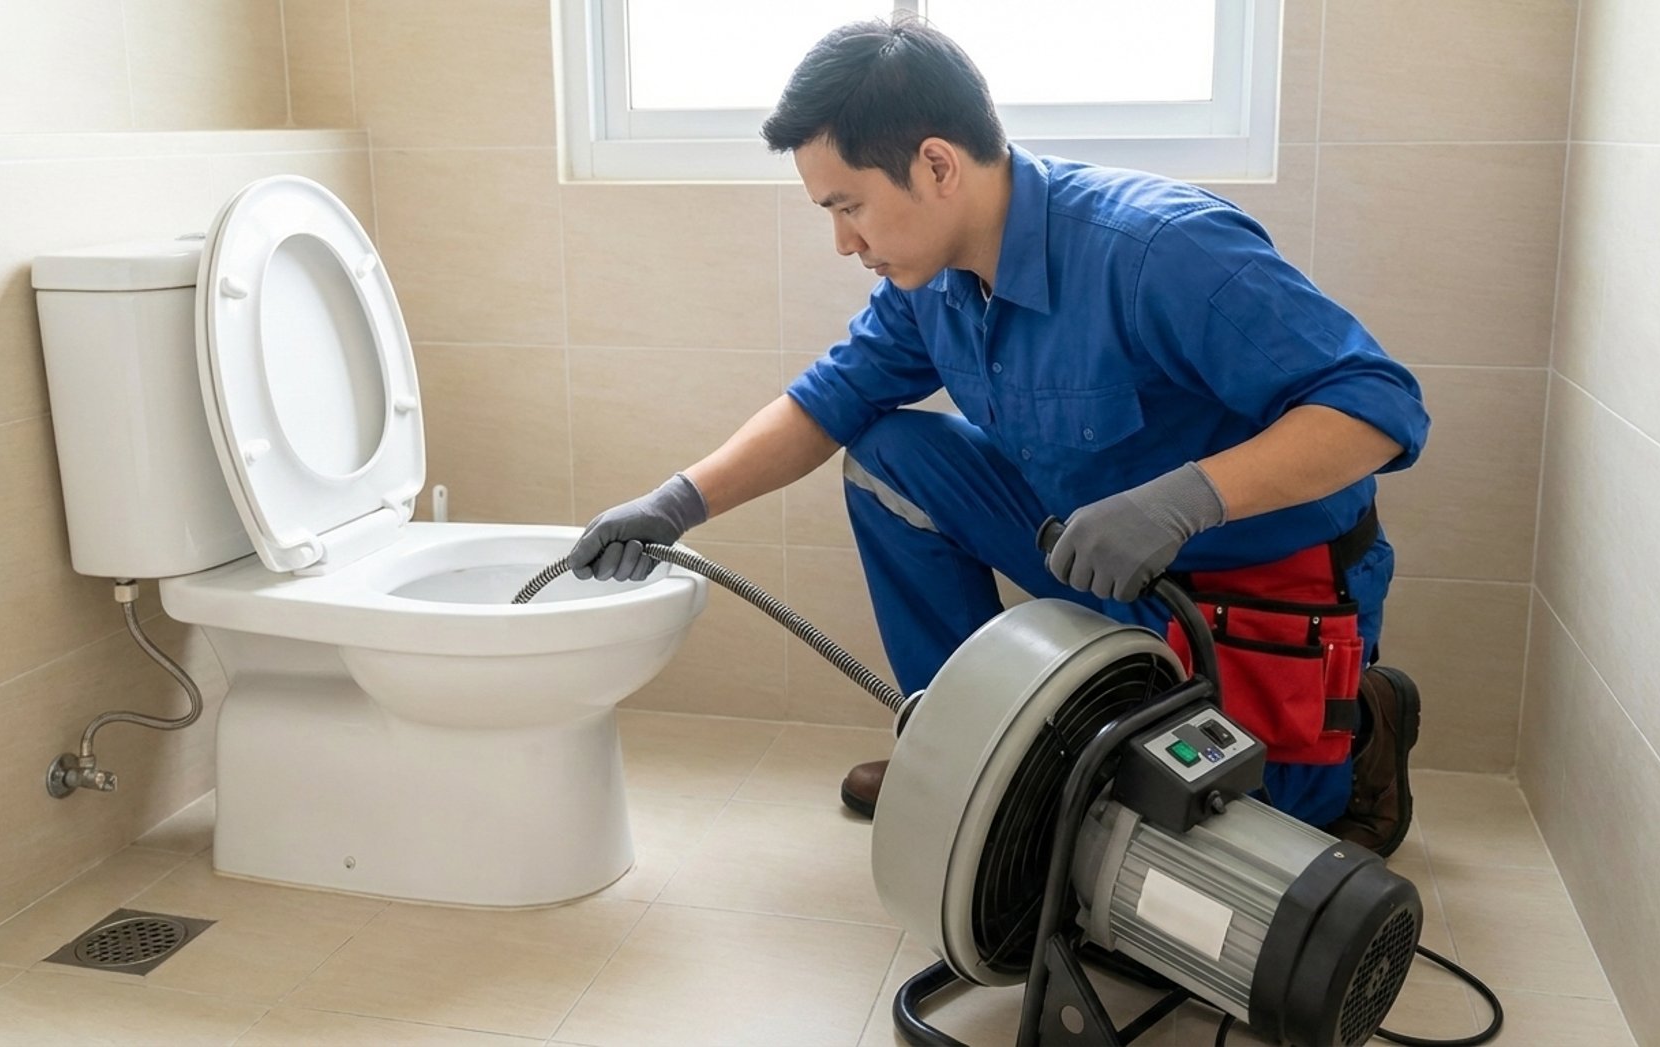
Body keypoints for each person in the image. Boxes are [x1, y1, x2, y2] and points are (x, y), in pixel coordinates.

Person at [567, 16, 1430, 856]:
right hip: (1087, 552)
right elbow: (827, 403)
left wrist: (1184, 502)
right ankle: (970, 753)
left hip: (1247, 581)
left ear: (936, 163)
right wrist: (676, 504)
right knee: (888, 456)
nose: (842, 242)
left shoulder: (1156, 249)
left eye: (850, 205)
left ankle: (1366, 730)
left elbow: (1378, 405)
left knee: (1238, 845)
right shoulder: (931, 282)